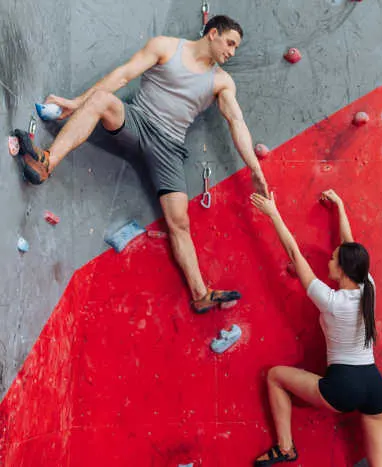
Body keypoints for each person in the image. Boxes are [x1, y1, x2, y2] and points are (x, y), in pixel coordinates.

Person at [13, 15, 269, 313]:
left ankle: (200, 294)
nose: (232, 52)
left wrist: (254, 167)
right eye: (230, 43)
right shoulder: (166, 47)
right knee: (101, 100)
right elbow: (123, 75)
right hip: (137, 121)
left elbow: (236, 121)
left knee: (180, 222)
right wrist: (76, 102)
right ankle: (47, 162)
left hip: (170, 148)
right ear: (213, 33)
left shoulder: (222, 81)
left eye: (235, 47)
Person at [249, 189, 382, 467]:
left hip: (343, 387)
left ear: (343, 269)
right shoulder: (368, 287)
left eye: (333, 258)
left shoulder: (332, 301)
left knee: (275, 376)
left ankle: (285, 448)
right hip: (374, 387)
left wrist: (273, 213)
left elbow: (293, 252)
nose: (328, 260)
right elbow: (351, 244)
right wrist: (340, 206)